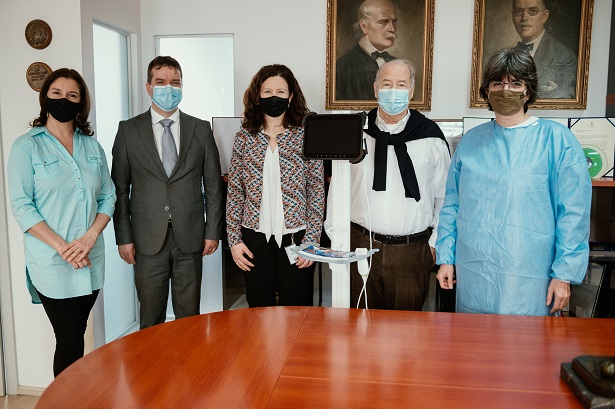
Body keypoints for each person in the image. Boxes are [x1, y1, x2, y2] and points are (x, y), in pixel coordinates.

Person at [436, 48, 591, 316]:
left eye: (515, 84)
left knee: (526, 340)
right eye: (498, 83)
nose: (505, 90)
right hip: (475, 273)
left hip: (531, 277)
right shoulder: (471, 142)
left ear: (528, 91)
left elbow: (573, 213)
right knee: (475, 339)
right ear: (487, 90)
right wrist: (446, 258)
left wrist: (564, 274)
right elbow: (452, 204)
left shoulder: (556, 140)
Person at [8, 68, 116, 376]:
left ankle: (73, 395)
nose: (64, 100)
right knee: (68, 337)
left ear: (81, 103)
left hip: (90, 259)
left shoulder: (92, 147)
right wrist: (64, 248)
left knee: (76, 334)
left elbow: (108, 196)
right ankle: (65, 399)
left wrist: (90, 238)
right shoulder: (26, 146)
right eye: (56, 93)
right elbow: (22, 206)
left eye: (72, 95)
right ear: (45, 97)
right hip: (52, 262)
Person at [112, 56, 223, 329]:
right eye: (161, 82)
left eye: (175, 82)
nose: (168, 88)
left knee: (189, 319)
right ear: (149, 87)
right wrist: (123, 237)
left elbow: (213, 186)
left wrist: (212, 231)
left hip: (190, 236)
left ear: (182, 86)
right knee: (151, 319)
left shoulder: (201, 129)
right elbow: (119, 190)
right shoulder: (128, 130)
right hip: (146, 239)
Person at [343, 59, 451, 311]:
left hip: (411, 251)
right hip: (360, 245)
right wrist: (337, 239)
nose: (393, 91)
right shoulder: (355, 132)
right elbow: (339, 189)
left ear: (411, 91)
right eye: (386, 84)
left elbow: (446, 197)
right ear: (375, 89)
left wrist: (434, 244)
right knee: (360, 323)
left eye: (401, 84)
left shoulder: (431, 137)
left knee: (406, 328)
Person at [226, 64, 325, 307]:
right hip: (253, 239)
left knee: (297, 308)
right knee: (259, 309)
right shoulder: (244, 138)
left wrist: (312, 240)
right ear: (257, 96)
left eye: (280, 92)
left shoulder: (306, 136)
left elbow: (316, 190)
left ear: (290, 97)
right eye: (267, 91)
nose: (274, 97)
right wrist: (234, 240)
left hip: (297, 238)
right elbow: (235, 192)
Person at [511, 0, 577, 98]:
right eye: (518, 11)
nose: (524, 18)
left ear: (544, 16)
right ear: (513, 16)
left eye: (533, 11)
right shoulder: (507, 55)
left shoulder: (566, 57)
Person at [336, 0, 398, 100]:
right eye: (384, 22)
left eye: (394, 22)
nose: (392, 29)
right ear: (364, 26)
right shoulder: (341, 67)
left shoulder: (398, 64)